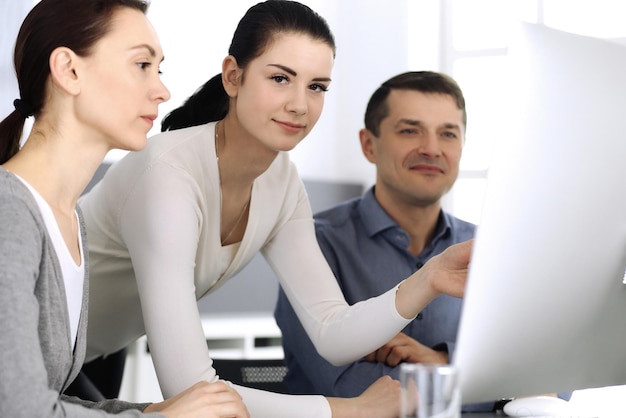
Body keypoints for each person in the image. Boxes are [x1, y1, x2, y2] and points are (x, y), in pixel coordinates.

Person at [78, 1, 473, 417]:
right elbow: (191, 390)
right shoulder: (167, 173)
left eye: (317, 86)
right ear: (234, 76)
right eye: (281, 78)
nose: (300, 105)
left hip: (97, 350)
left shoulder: (282, 183)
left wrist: (429, 278)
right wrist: (348, 411)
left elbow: (332, 331)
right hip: (27, 342)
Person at [0, 1, 249, 417]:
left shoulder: (69, 220)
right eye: (141, 65)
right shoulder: (10, 212)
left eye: (160, 69)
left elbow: (49, 401)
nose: (163, 91)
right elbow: (20, 409)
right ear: (69, 70)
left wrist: (155, 411)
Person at [274, 69, 476, 395]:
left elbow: (548, 372)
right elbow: (351, 388)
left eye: (448, 134)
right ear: (369, 145)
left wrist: (441, 360)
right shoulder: (314, 244)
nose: (431, 148)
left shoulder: (484, 251)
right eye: (410, 130)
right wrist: (465, 374)